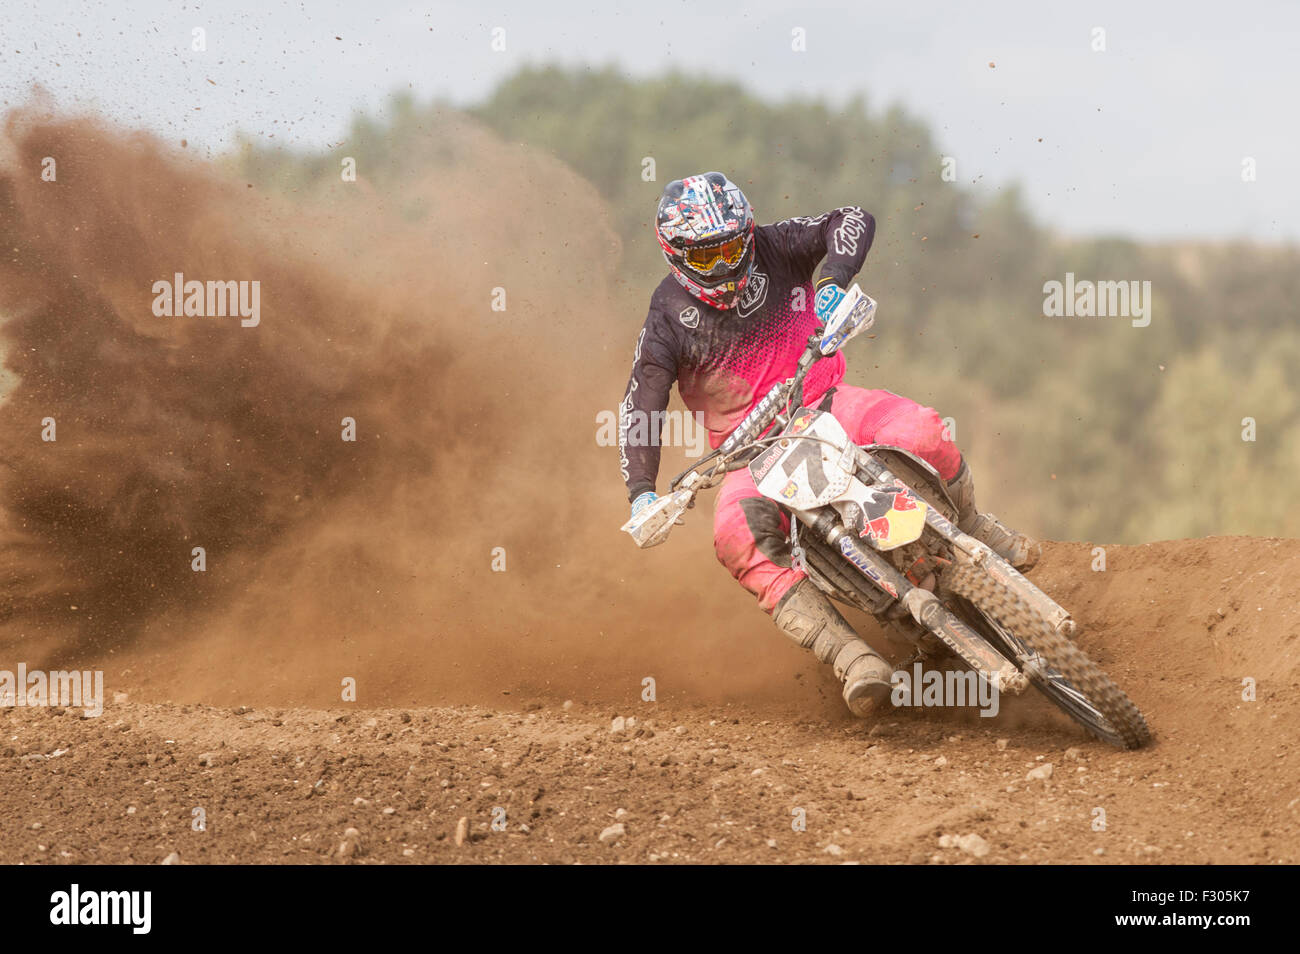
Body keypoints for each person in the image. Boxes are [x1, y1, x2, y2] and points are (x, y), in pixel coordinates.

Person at [619, 172, 1039, 716]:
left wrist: (833, 282)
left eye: (731, 248)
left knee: (923, 431)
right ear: (676, 257)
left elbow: (853, 217)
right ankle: (849, 657)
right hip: (749, 453)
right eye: (706, 258)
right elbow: (641, 403)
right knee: (733, 535)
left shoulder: (774, 244)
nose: (724, 267)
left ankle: (976, 523)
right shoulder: (666, 315)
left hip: (827, 402)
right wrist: (642, 494)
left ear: (747, 234)